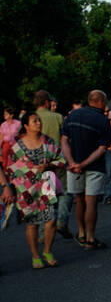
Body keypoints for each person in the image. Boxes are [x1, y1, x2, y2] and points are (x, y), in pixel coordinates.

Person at [2, 110, 68, 268]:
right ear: (26, 126)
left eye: (39, 120)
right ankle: (35, 256)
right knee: (32, 224)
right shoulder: (17, 146)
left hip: (46, 183)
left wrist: (48, 165)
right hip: (26, 188)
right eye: (34, 121)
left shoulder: (48, 141)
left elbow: (61, 160)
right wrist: (31, 170)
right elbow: (10, 169)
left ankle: (47, 251)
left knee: (51, 220)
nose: (39, 123)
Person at [61, 89, 111, 249]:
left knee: (79, 199)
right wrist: (83, 164)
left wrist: (72, 162)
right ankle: (90, 237)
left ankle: (81, 233)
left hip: (73, 165)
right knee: (91, 202)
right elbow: (102, 148)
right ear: (101, 102)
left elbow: (64, 140)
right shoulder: (103, 121)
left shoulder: (73, 116)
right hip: (94, 166)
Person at [32, 91, 72, 239]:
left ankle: (44, 233)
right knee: (65, 192)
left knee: (45, 196)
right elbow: (65, 138)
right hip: (56, 159)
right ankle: (61, 221)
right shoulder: (57, 117)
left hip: (38, 161)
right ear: (47, 102)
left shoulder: (31, 118)